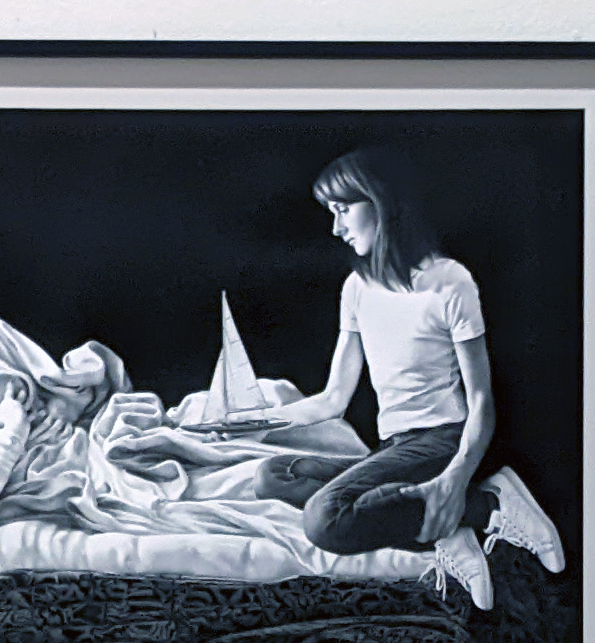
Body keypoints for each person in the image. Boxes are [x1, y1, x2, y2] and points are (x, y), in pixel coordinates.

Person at [239, 148, 565, 609]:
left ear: (380, 202)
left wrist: (457, 476)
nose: (336, 228)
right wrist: (250, 422)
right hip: (394, 448)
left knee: (324, 521)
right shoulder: (356, 289)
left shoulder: (450, 282)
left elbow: (481, 401)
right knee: (272, 477)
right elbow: (333, 398)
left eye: (343, 209)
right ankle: (450, 527)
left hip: (443, 439)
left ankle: (491, 507)